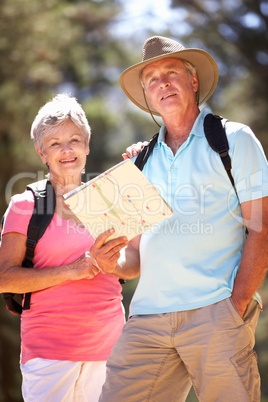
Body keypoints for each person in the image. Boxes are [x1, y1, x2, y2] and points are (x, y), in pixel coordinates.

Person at [99, 36, 268, 401]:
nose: (163, 83)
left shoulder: (234, 140)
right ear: (147, 96)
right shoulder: (138, 162)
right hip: (146, 319)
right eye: (153, 79)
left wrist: (236, 305)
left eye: (171, 72)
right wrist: (109, 262)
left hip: (217, 311)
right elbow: (133, 261)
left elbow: (262, 229)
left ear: (193, 81)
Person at [0, 93, 139, 402]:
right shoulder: (24, 206)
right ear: (42, 153)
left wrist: (110, 264)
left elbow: (135, 262)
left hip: (111, 350)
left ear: (87, 146)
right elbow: (5, 278)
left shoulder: (110, 198)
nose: (66, 150)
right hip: (47, 355)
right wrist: (74, 270)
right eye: (54, 143)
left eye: (74, 140)